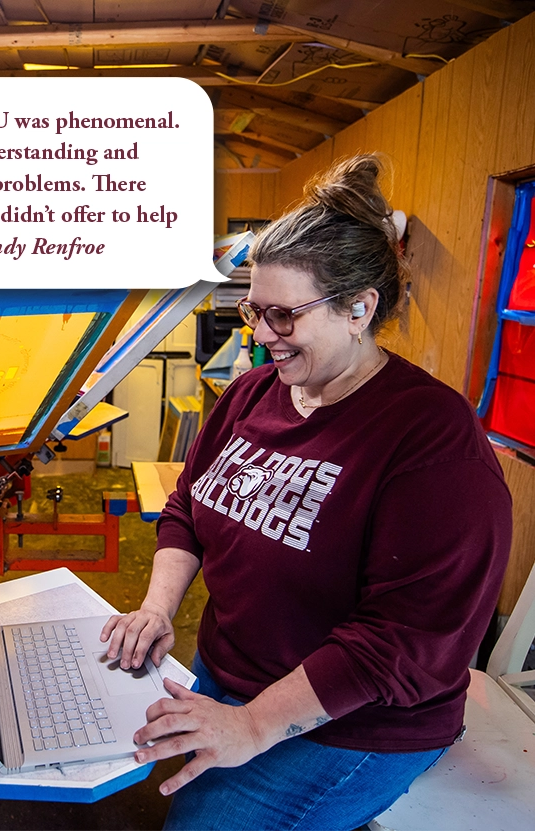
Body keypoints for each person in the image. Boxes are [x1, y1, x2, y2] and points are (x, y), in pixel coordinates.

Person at [101, 154, 512, 831]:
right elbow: (188, 510)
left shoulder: (432, 442)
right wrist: (155, 607)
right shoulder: (252, 393)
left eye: (283, 315)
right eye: (253, 310)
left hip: (357, 721)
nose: (259, 335)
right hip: (234, 671)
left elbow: (400, 643)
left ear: (359, 308)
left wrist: (256, 725)